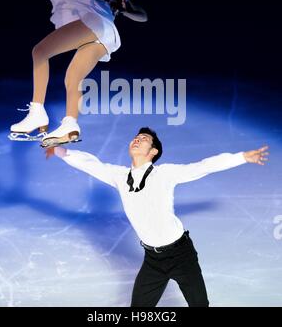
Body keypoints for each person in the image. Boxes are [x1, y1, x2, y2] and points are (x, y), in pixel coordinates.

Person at [45, 127, 269, 307]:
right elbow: (90, 164)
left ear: (153, 152)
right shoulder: (120, 176)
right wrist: (58, 149)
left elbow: (203, 167)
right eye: (136, 137)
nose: (137, 140)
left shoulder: (165, 173)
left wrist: (242, 157)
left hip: (181, 255)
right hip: (152, 260)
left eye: (143, 139)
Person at [9, 0, 147, 147]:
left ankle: (37, 112)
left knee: (40, 52)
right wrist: (125, 9)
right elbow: (143, 16)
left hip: (96, 20)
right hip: (108, 32)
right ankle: (70, 124)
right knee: (73, 77)